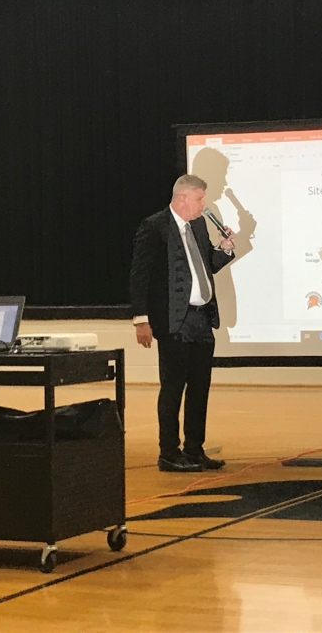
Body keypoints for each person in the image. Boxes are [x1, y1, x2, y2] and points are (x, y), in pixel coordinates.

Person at [130, 174, 235, 472]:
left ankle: (194, 449)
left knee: (200, 387)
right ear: (182, 198)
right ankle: (168, 452)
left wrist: (224, 248)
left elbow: (207, 266)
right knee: (173, 387)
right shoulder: (155, 227)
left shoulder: (199, 226)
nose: (204, 204)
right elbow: (140, 275)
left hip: (202, 319)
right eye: (200, 198)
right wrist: (141, 319)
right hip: (173, 320)